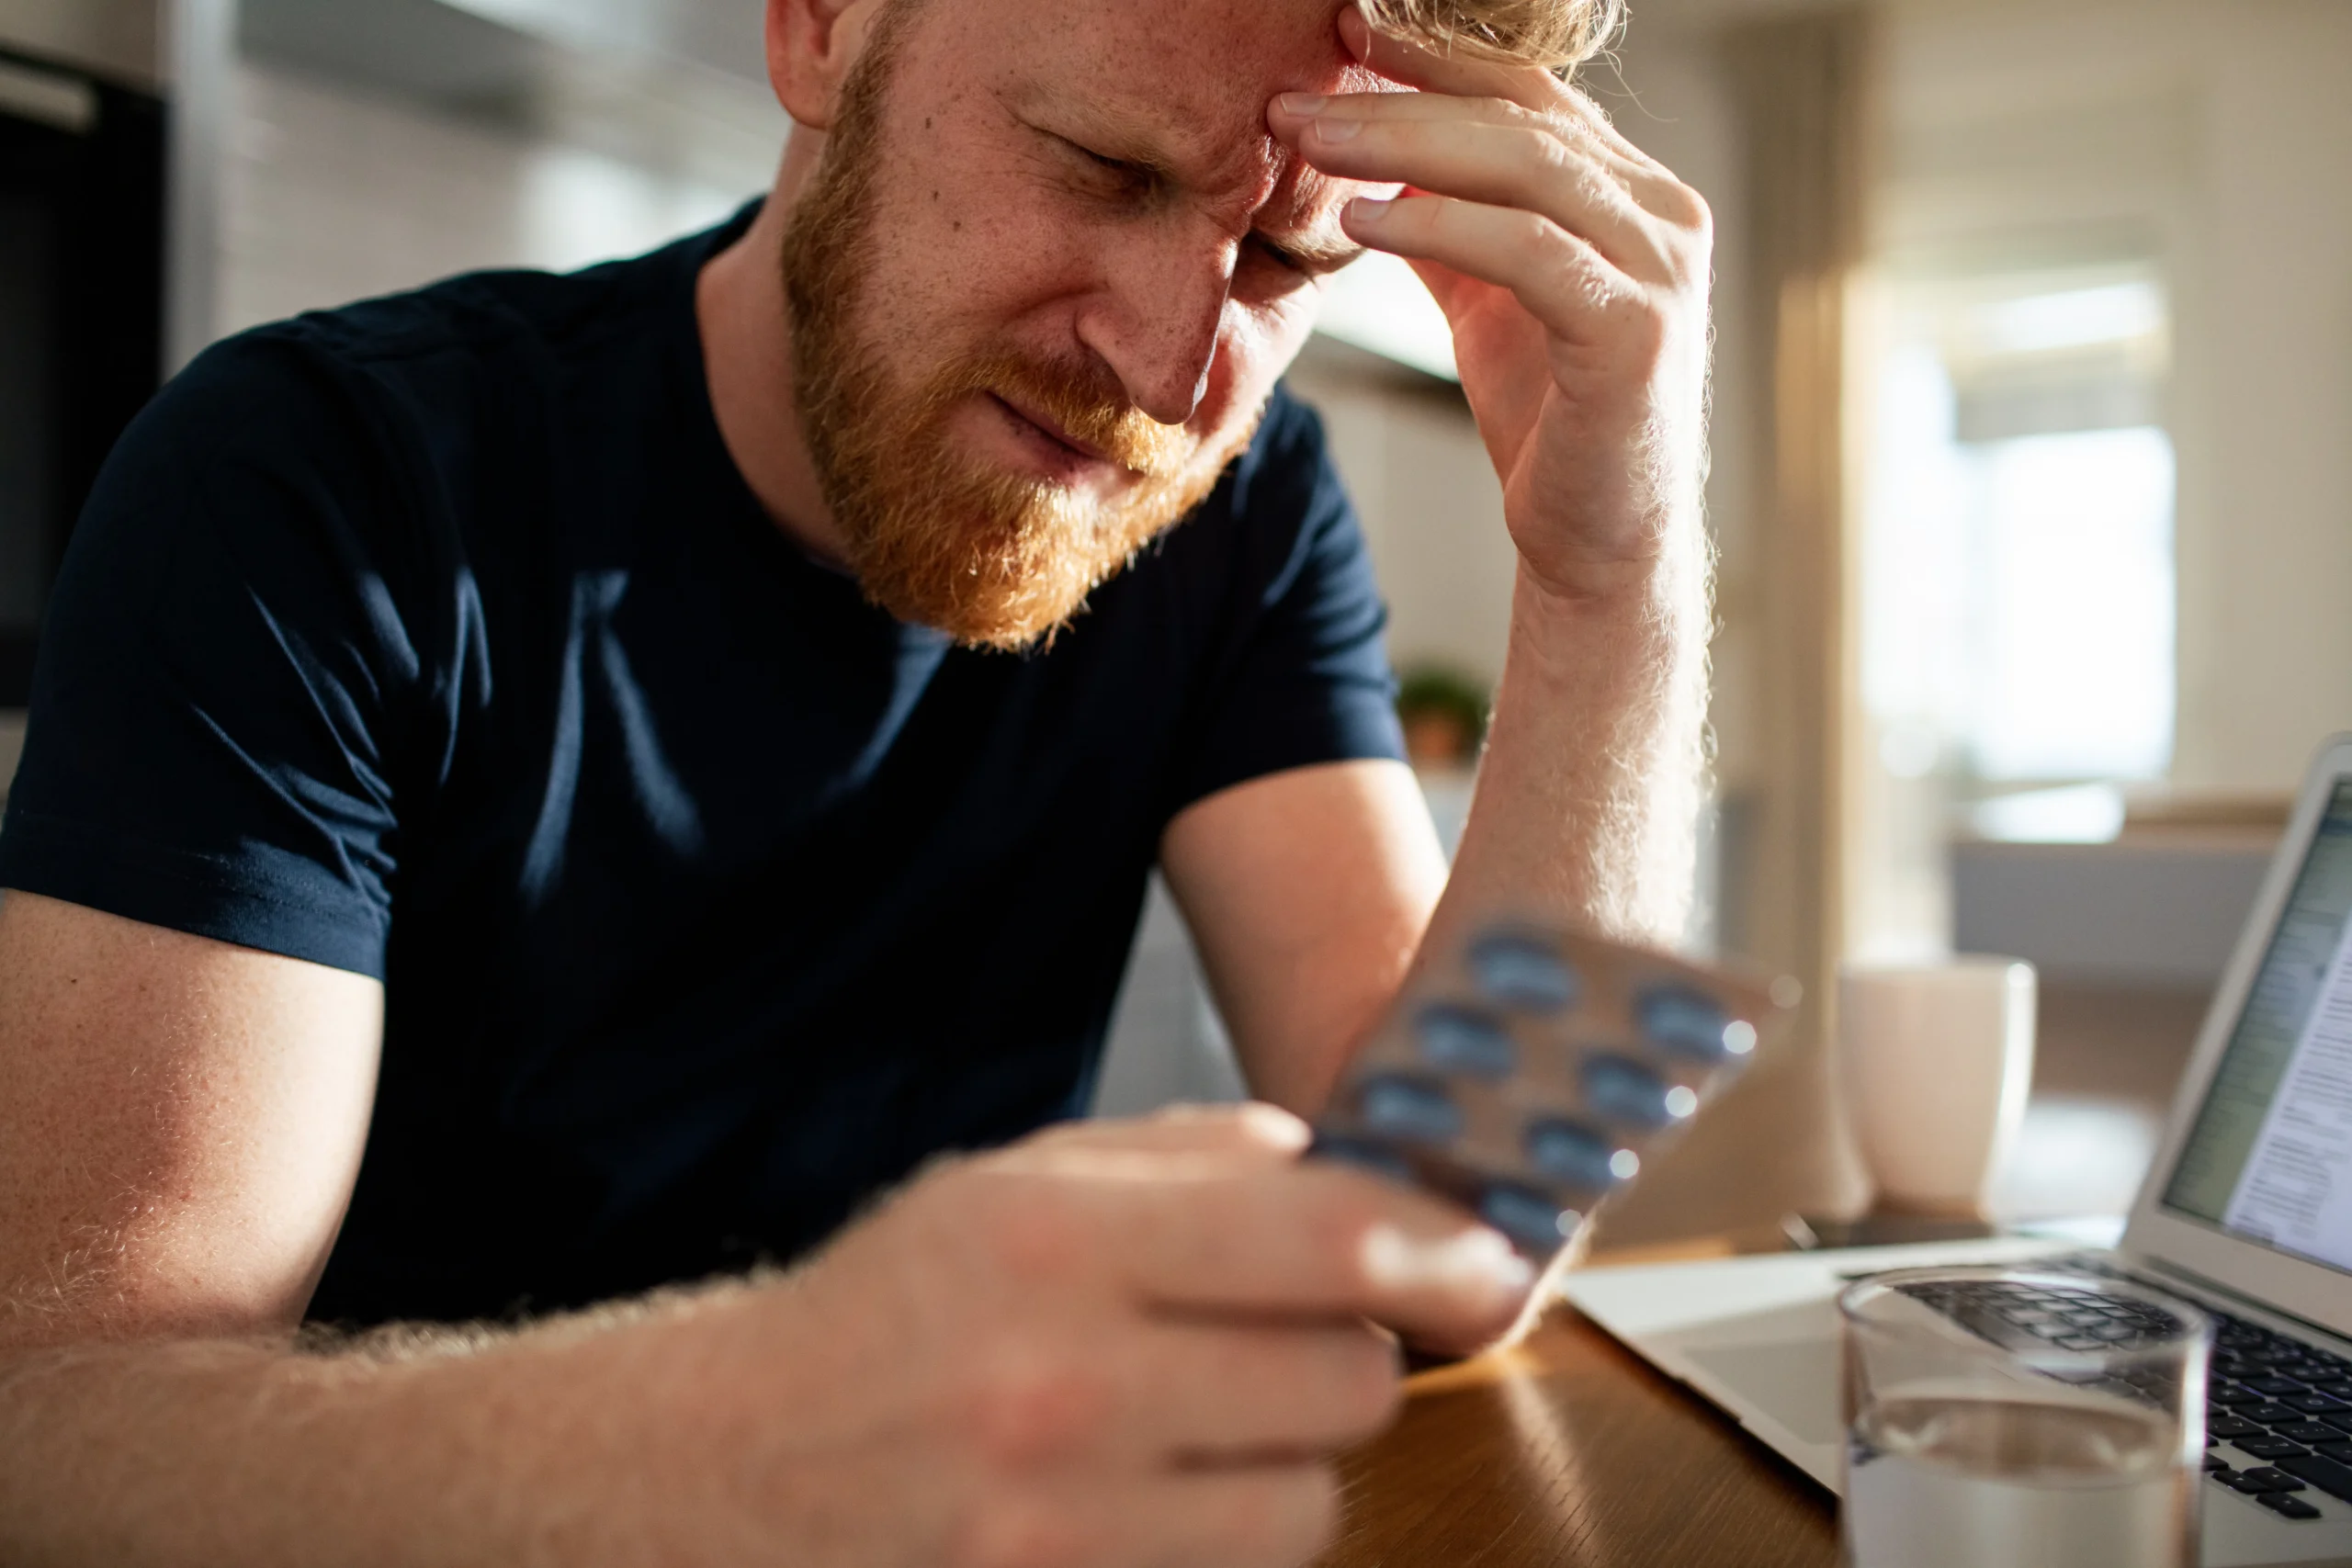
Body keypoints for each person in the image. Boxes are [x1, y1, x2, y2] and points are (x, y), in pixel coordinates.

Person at [0, 0, 1713, 1558]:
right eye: (1105, 167)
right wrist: (749, 1422)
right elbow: (59, 1432)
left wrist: (1614, 585)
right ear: (821, 28)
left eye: (1278, 260)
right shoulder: (321, 487)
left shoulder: (1239, 519)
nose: (1166, 376)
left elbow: (1450, 1239)